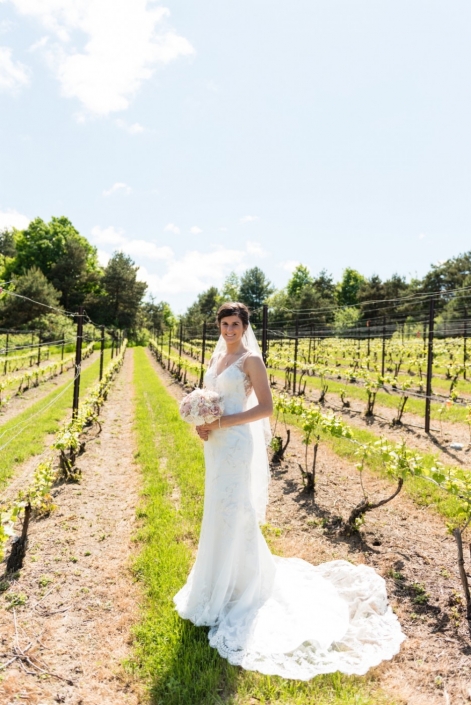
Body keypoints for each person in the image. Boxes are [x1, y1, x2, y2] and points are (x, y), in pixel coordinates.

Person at [174, 302, 405, 680]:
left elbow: (265, 408)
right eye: (224, 324)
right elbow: (210, 402)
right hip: (215, 445)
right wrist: (202, 424)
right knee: (217, 510)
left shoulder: (251, 361)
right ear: (218, 327)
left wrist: (223, 421)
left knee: (237, 511)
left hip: (235, 443)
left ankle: (244, 583)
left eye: (235, 324)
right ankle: (214, 580)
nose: (229, 329)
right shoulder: (215, 360)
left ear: (244, 327)